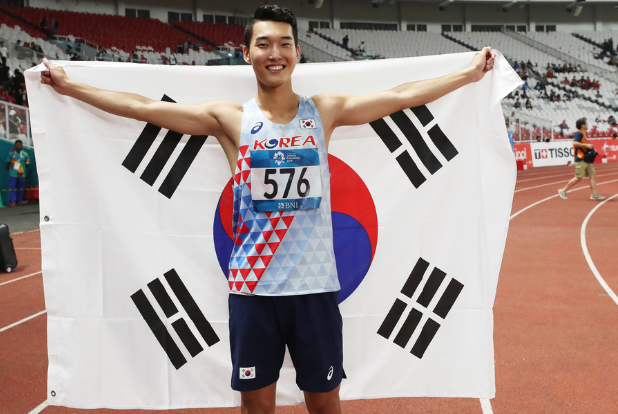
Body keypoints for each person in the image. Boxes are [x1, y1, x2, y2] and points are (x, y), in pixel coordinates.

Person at [39, 5, 496, 413]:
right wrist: (70, 87)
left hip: (315, 290)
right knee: (256, 405)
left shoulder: (324, 111)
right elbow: (141, 108)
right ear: (246, 53)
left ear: (297, 53)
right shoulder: (231, 120)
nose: (274, 53)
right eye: (263, 44)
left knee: (325, 402)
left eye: (284, 43)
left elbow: (401, 97)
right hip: (254, 291)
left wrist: (467, 75)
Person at [558, 118, 606, 201]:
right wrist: (587, 145)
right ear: (582, 125)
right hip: (581, 159)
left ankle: (594, 194)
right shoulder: (579, 133)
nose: (587, 125)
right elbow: (574, 143)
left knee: (592, 175)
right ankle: (563, 190)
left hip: (586, 158)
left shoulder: (583, 134)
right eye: (586, 123)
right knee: (578, 177)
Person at [6, 140, 30, 207]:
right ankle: (12, 201)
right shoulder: (11, 154)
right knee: (12, 187)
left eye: (19, 145)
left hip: (22, 173)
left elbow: (27, 164)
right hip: (13, 173)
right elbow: (8, 163)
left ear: (22, 145)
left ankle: (19, 201)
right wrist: (11, 169)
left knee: (20, 187)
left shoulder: (25, 154)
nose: (17, 146)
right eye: (16, 145)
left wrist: (23, 166)